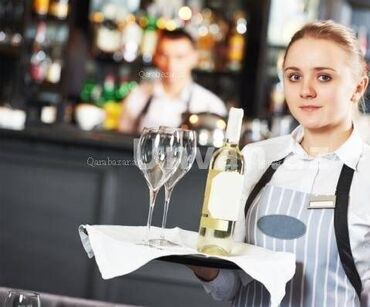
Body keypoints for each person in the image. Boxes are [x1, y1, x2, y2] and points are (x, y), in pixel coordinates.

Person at [191, 20, 370, 307]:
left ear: (358, 86)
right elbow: (229, 288)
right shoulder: (255, 159)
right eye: (294, 76)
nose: (306, 91)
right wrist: (205, 267)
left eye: (324, 77)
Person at [118, 29, 227, 134]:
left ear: (194, 58)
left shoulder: (211, 105)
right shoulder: (137, 96)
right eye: (165, 56)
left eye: (179, 57)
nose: (171, 65)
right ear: (156, 57)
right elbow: (121, 142)